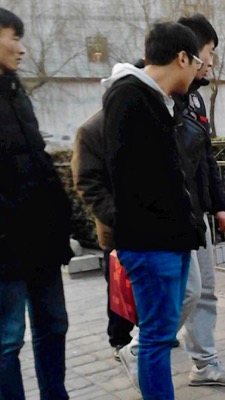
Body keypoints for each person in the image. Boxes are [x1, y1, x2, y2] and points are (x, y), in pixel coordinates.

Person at [118, 14, 225, 390]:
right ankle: (141, 346)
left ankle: (203, 363)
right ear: (185, 55)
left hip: (194, 213)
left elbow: (203, 155)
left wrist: (218, 204)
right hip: (167, 224)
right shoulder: (145, 96)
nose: (210, 62)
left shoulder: (192, 98)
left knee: (202, 291)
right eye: (208, 53)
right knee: (183, 296)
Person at [102, 21, 205, 400]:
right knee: (157, 339)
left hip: (171, 238)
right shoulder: (128, 96)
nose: (198, 73)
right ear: (182, 58)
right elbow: (131, 178)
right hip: (151, 242)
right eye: (197, 63)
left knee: (161, 336)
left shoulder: (157, 99)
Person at [0, 8, 74, 399]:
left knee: (54, 326)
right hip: (5, 248)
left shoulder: (15, 92)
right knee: (7, 341)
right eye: (13, 37)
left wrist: (62, 217)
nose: (21, 48)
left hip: (41, 241)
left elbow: (39, 160)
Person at [71, 111, 135, 362]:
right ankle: (120, 339)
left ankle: (148, 336)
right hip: (117, 229)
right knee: (119, 287)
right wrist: (116, 217)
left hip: (152, 226)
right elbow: (87, 181)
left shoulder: (145, 118)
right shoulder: (94, 128)